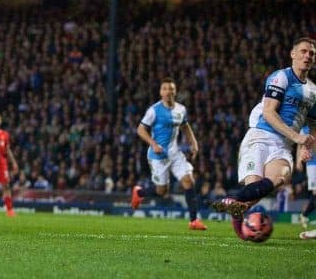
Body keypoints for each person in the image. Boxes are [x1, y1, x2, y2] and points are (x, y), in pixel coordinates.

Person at [211, 38, 316, 239]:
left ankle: (233, 202)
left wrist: (305, 146)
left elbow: (313, 122)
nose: (307, 56)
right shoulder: (280, 78)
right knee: (255, 191)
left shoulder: (313, 91)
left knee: (280, 178)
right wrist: (297, 137)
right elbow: (268, 112)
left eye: (312, 53)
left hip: (283, 144)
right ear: (293, 54)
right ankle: (241, 217)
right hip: (260, 136)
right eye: (303, 51)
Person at [131, 77, 207, 230]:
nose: (168, 91)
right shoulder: (154, 110)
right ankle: (140, 192)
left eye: (171, 89)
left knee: (188, 181)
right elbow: (140, 129)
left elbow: (185, 126)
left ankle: (194, 220)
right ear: (160, 92)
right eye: (165, 88)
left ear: (175, 91)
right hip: (158, 156)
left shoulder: (181, 109)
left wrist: (193, 142)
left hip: (175, 153)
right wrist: (153, 143)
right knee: (161, 191)